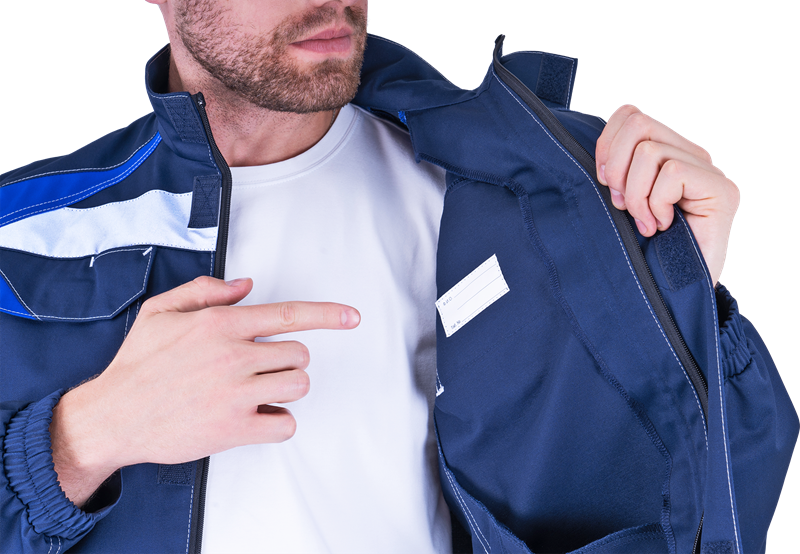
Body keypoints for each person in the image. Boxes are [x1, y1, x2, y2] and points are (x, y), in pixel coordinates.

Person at [1, 1, 791, 553]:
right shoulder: (20, 233)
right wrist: (82, 437)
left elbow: (690, 513)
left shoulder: (524, 195)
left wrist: (678, 307)